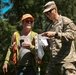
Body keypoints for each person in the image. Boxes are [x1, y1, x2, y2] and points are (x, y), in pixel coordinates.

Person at [42, 1, 76, 75]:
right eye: (46, 13)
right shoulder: (50, 27)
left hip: (66, 62)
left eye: (49, 11)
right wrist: (42, 43)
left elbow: (72, 35)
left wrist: (55, 34)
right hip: (53, 63)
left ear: (55, 9)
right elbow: (50, 47)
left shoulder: (65, 21)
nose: (48, 14)